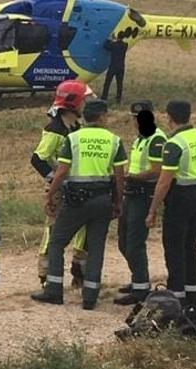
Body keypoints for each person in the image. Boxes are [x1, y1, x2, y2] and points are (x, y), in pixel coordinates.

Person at [32, 99, 127, 309]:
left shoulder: (73, 139)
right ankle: (90, 297)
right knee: (96, 247)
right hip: (103, 200)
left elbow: (62, 171)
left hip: (75, 200)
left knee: (57, 242)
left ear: (85, 117)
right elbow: (120, 176)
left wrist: (50, 195)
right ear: (102, 117)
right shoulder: (114, 140)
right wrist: (118, 201)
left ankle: (54, 290)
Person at [147, 100, 196, 316]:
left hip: (180, 197)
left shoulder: (174, 143)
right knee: (191, 247)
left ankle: (177, 297)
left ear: (169, 117)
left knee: (174, 247)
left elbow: (164, 182)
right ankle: (194, 296)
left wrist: (152, 209)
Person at [31, 80, 90, 287]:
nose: (86, 104)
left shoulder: (77, 127)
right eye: (84, 100)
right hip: (60, 189)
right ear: (74, 103)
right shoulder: (54, 129)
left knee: (84, 229)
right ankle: (46, 275)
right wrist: (54, 180)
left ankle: (79, 271)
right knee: (53, 231)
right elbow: (37, 159)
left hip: (78, 186)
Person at [114, 101, 167, 305]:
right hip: (132, 193)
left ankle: (141, 287)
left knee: (134, 242)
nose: (137, 121)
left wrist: (133, 177)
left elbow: (158, 169)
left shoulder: (156, 139)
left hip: (144, 194)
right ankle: (137, 278)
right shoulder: (141, 138)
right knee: (123, 240)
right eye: (135, 118)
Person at [100, 38, 128, 104]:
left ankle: (104, 97)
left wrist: (109, 40)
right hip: (121, 67)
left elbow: (105, 46)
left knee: (107, 83)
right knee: (119, 84)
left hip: (113, 66)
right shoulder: (125, 45)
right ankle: (118, 98)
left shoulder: (114, 45)